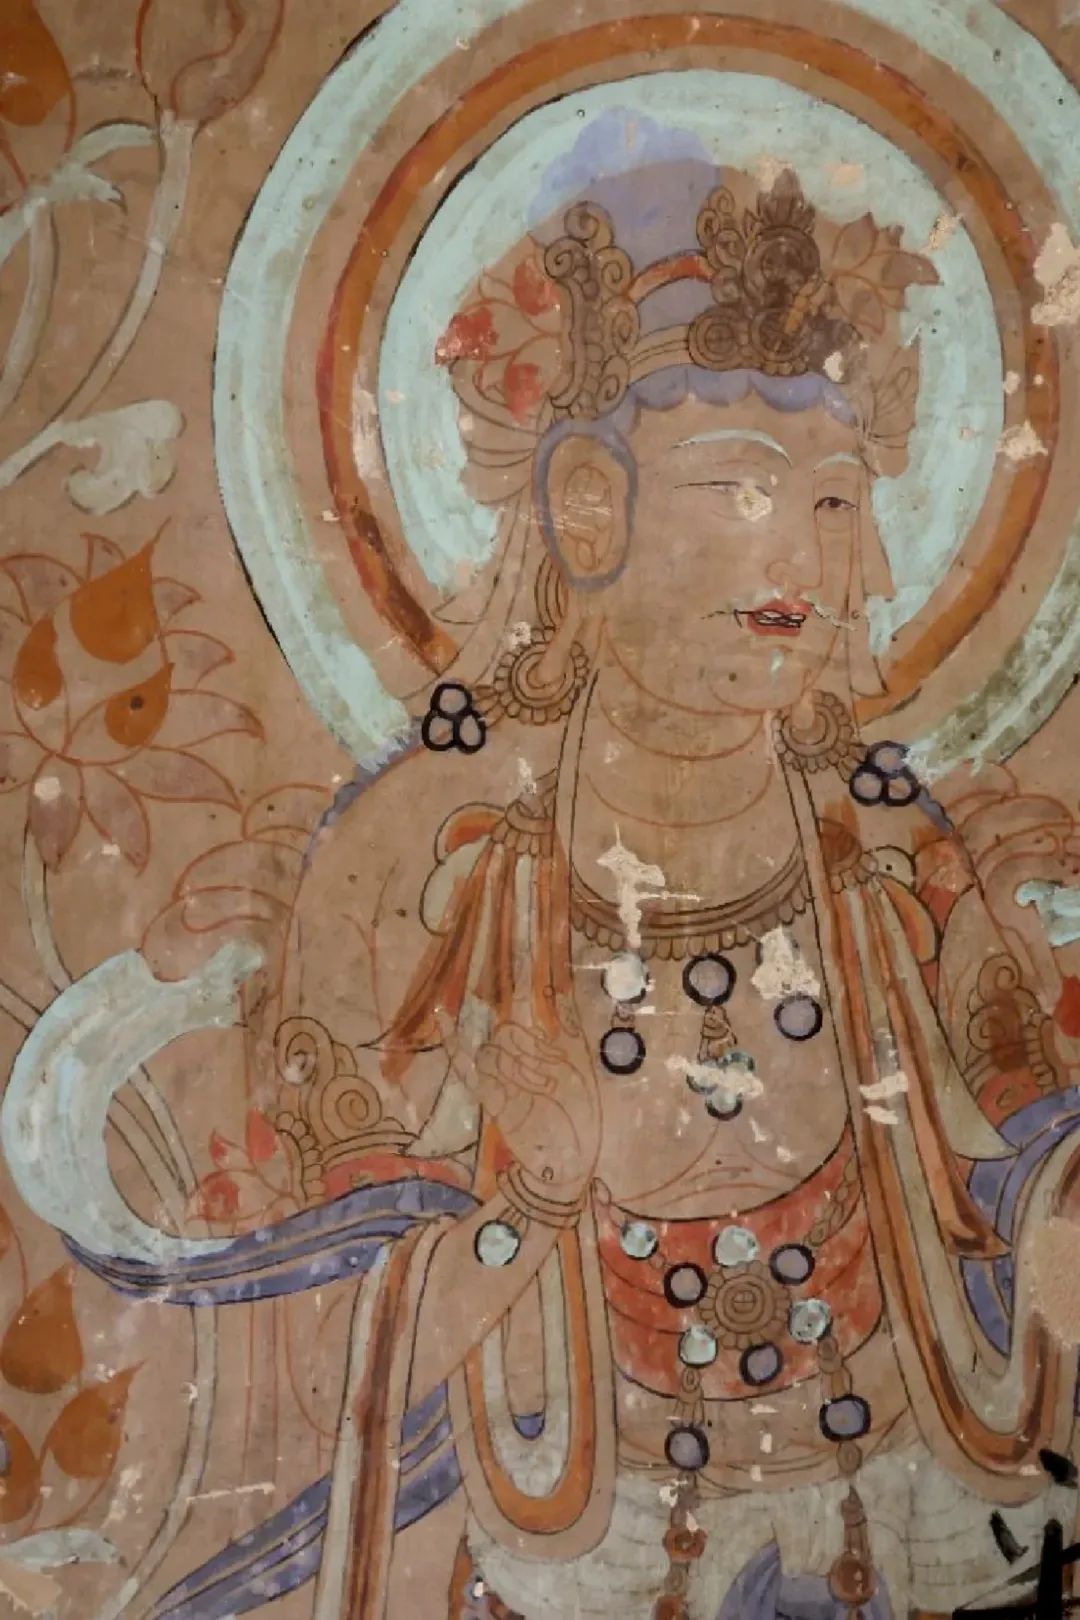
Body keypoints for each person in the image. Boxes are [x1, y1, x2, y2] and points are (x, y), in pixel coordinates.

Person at [27, 161, 1080, 1620]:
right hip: (571, 1542)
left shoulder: (891, 842)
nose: (816, 556)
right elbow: (337, 1364)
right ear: (588, 508)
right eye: (745, 486)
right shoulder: (418, 867)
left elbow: (1023, 1190)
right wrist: (532, 1197)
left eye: (839, 498)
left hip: (916, 1499)